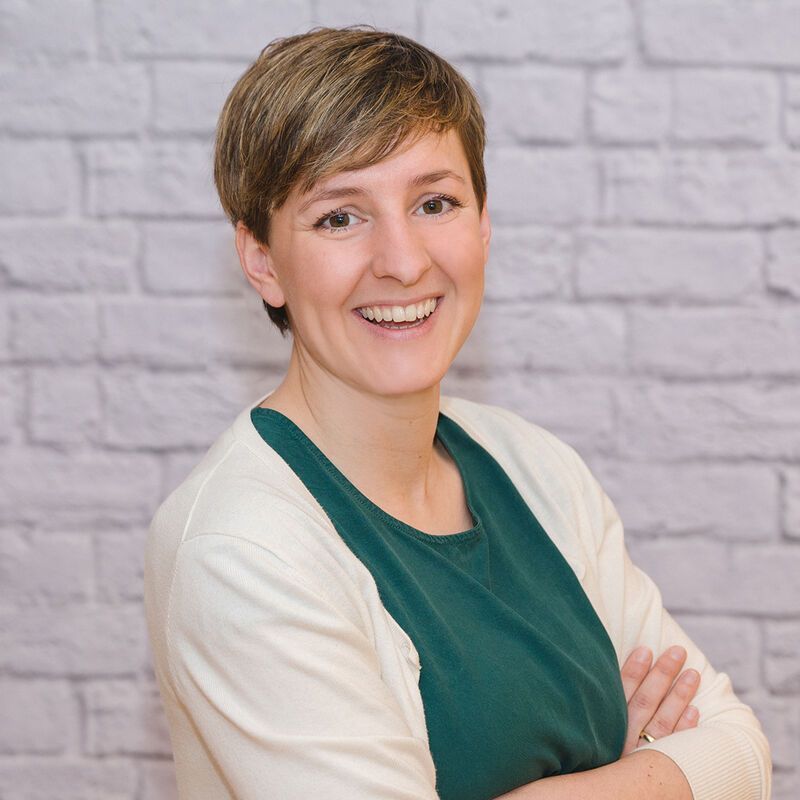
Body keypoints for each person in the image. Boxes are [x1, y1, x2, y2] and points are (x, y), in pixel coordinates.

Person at [143, 25, 771, 800]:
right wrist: (642, 769)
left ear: (483, 223)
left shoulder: (533, 468)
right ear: (261, 259)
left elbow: (740, 753)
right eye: (340, 217)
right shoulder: (240, 549)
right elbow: (702, 770)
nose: (404, 262)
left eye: (434, 203)